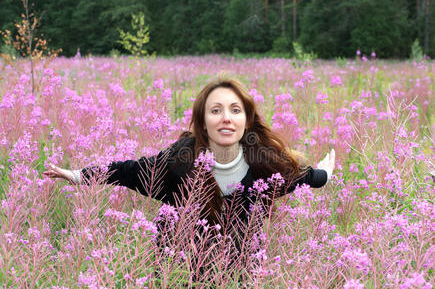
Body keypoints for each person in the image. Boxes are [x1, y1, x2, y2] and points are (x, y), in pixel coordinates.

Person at [43, 77, 335, 229]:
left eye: (235, 110)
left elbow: (293, 179)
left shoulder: (261, 163)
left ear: (246, 120)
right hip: (180, 270)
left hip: (239, 274)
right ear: (203, 121)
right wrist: (77, 175)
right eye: (216, 110)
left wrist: (322, 174)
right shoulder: (181, 160)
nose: (226, 118)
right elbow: (130, 171)